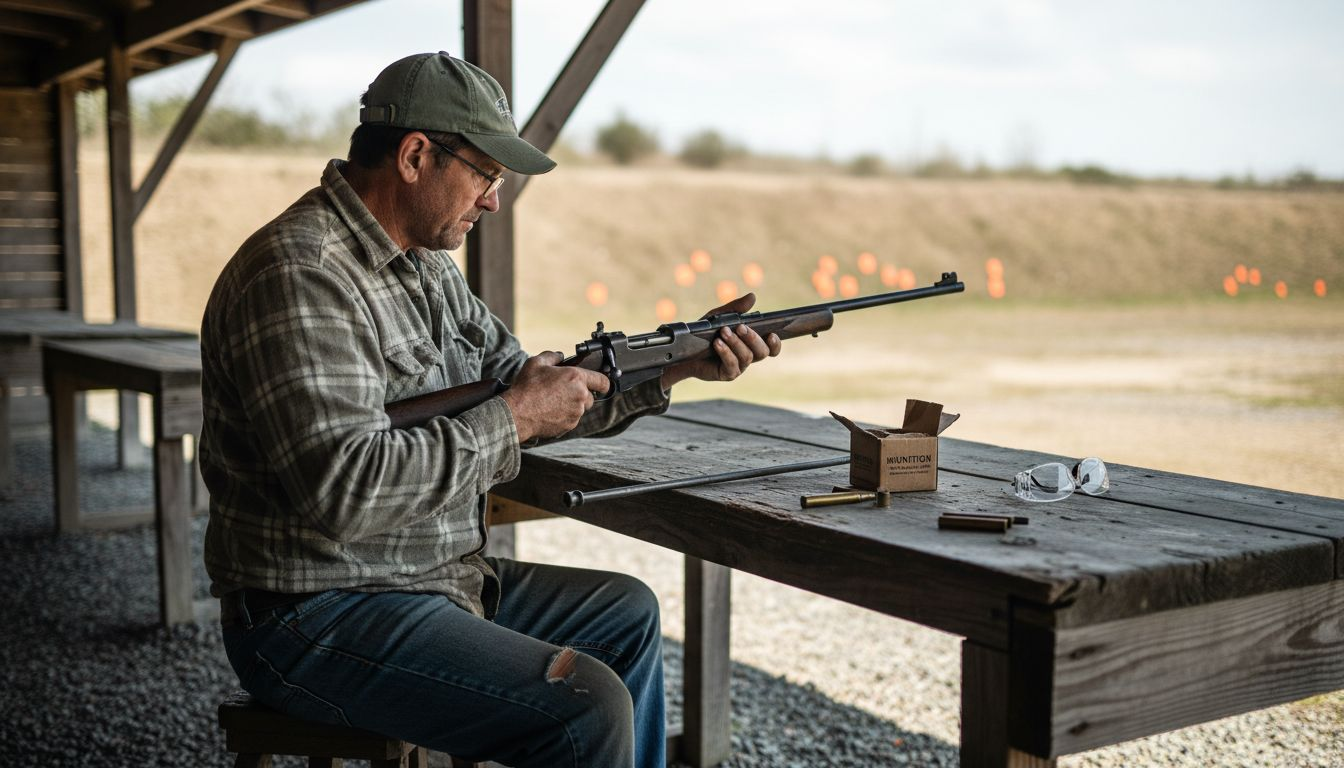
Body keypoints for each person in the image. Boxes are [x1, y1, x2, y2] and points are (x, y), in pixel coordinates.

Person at [199, 51, 781, 768]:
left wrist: (673, 365)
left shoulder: (425, 266)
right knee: (585, 707)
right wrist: (514, 417)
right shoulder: (302, 273)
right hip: (313, 610)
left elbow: (531, 385)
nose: (494, 200)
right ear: (415, 155)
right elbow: (346, 491)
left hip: (429, 579)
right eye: (486, 174)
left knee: (627, 616)